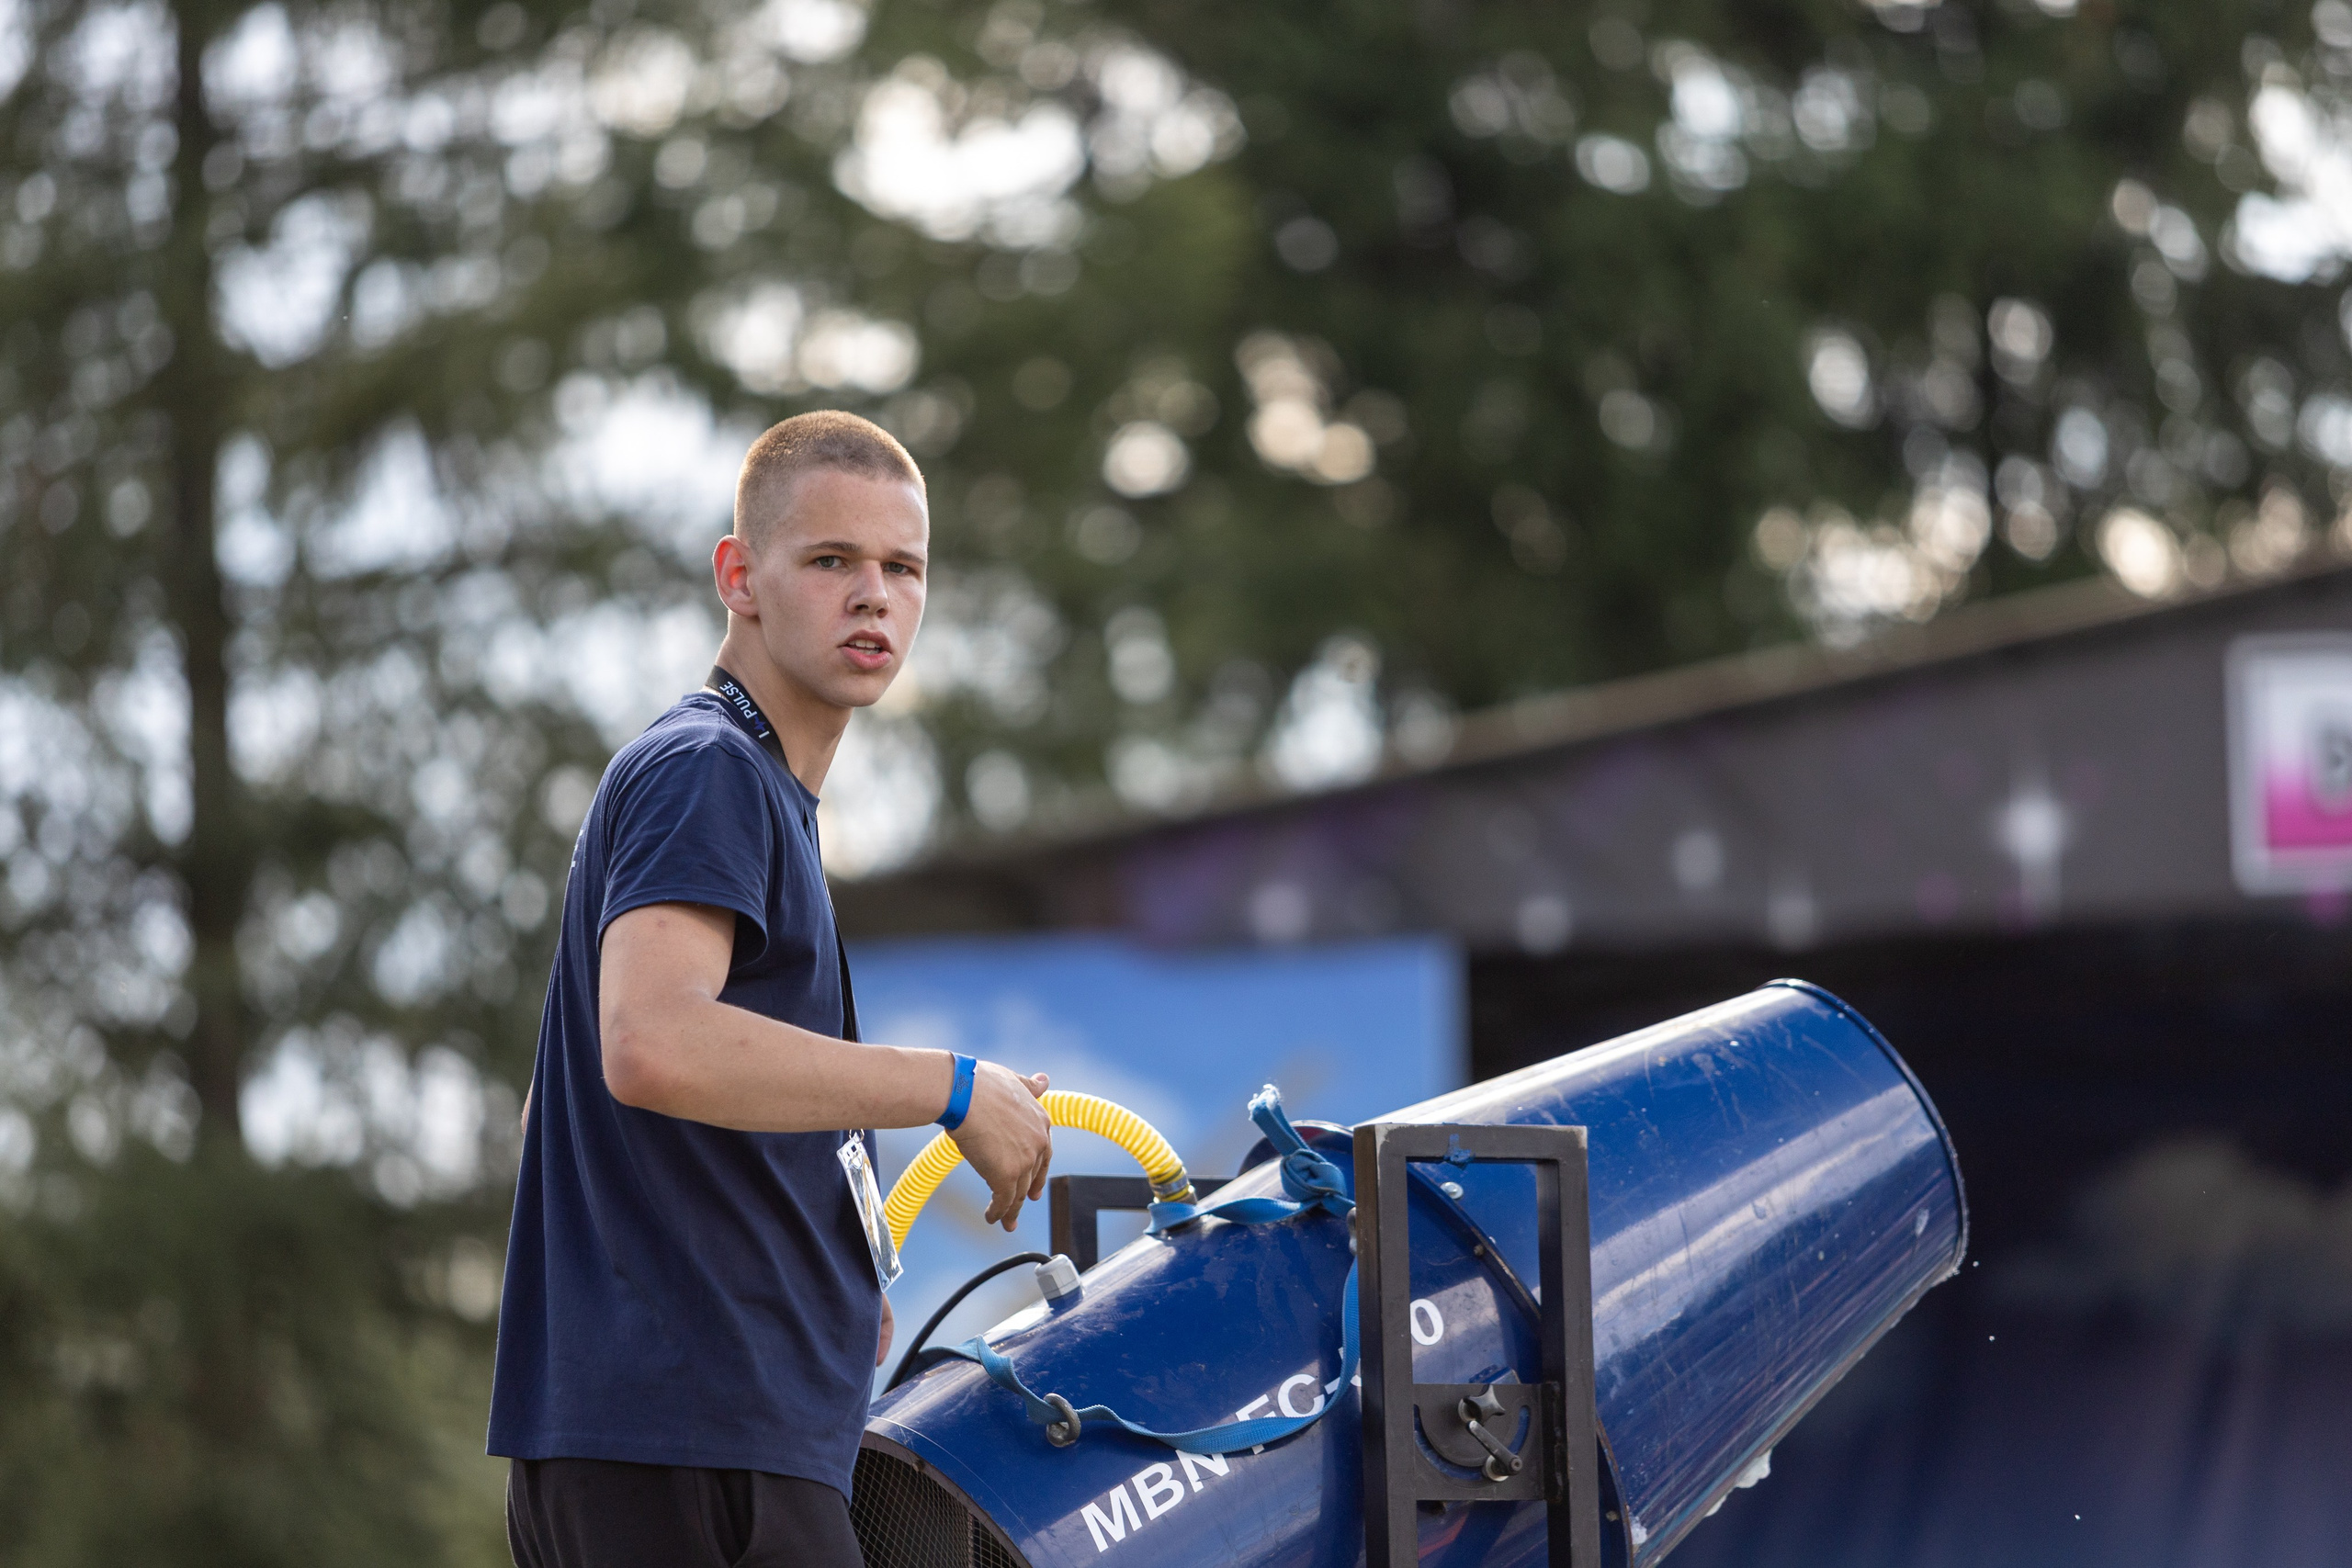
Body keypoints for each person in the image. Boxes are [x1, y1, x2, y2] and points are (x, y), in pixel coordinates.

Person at [488, 412, 1055, 1567]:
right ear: (738, 577)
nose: (874, 596)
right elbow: (649, 1042)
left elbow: (623, 1103)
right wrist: (951, 1088)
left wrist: (822, 1277)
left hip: (705, 1439)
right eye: (832, 561)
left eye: (903, 568)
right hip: (686, 1447)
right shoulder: (710, 771)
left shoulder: (754, 790)